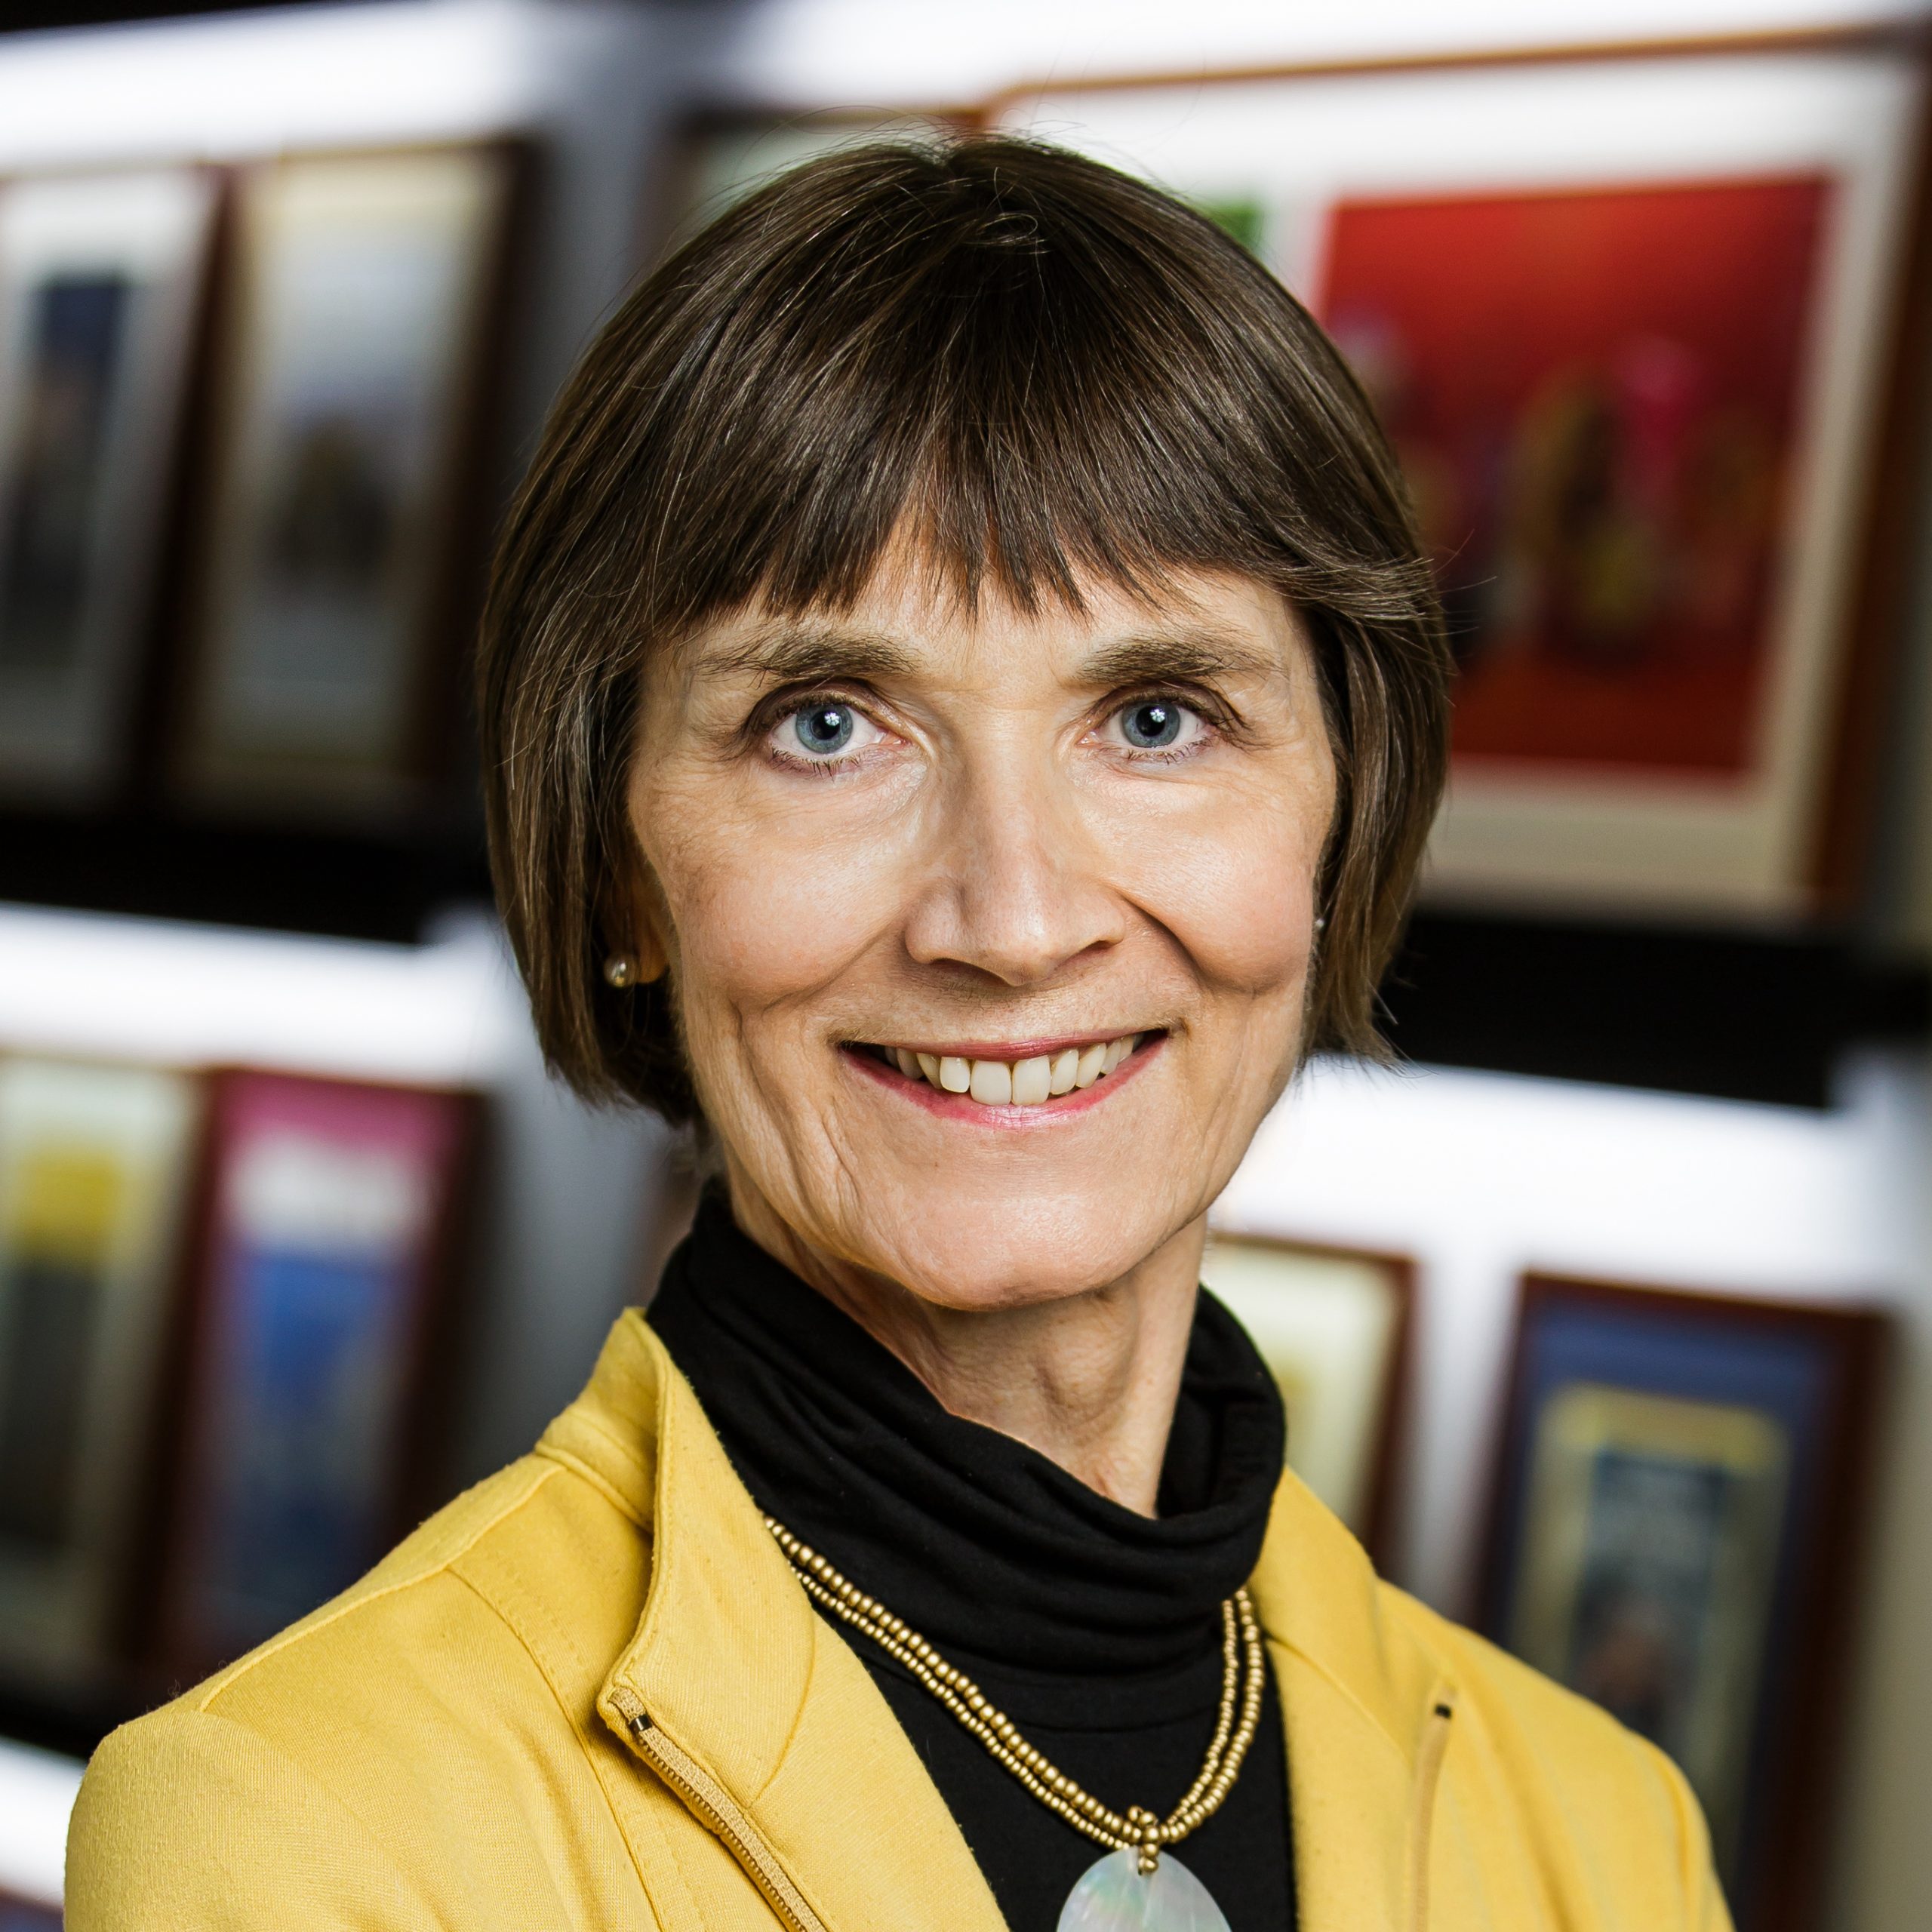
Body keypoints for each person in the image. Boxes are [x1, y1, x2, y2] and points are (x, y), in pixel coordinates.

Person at [68, 137, 1730, 1932]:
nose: (1010, 920)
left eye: (1155, 716)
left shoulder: (1598, 1835)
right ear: (619, 864)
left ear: (1342, 810)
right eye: (826, 725)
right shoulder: (301, 1833)